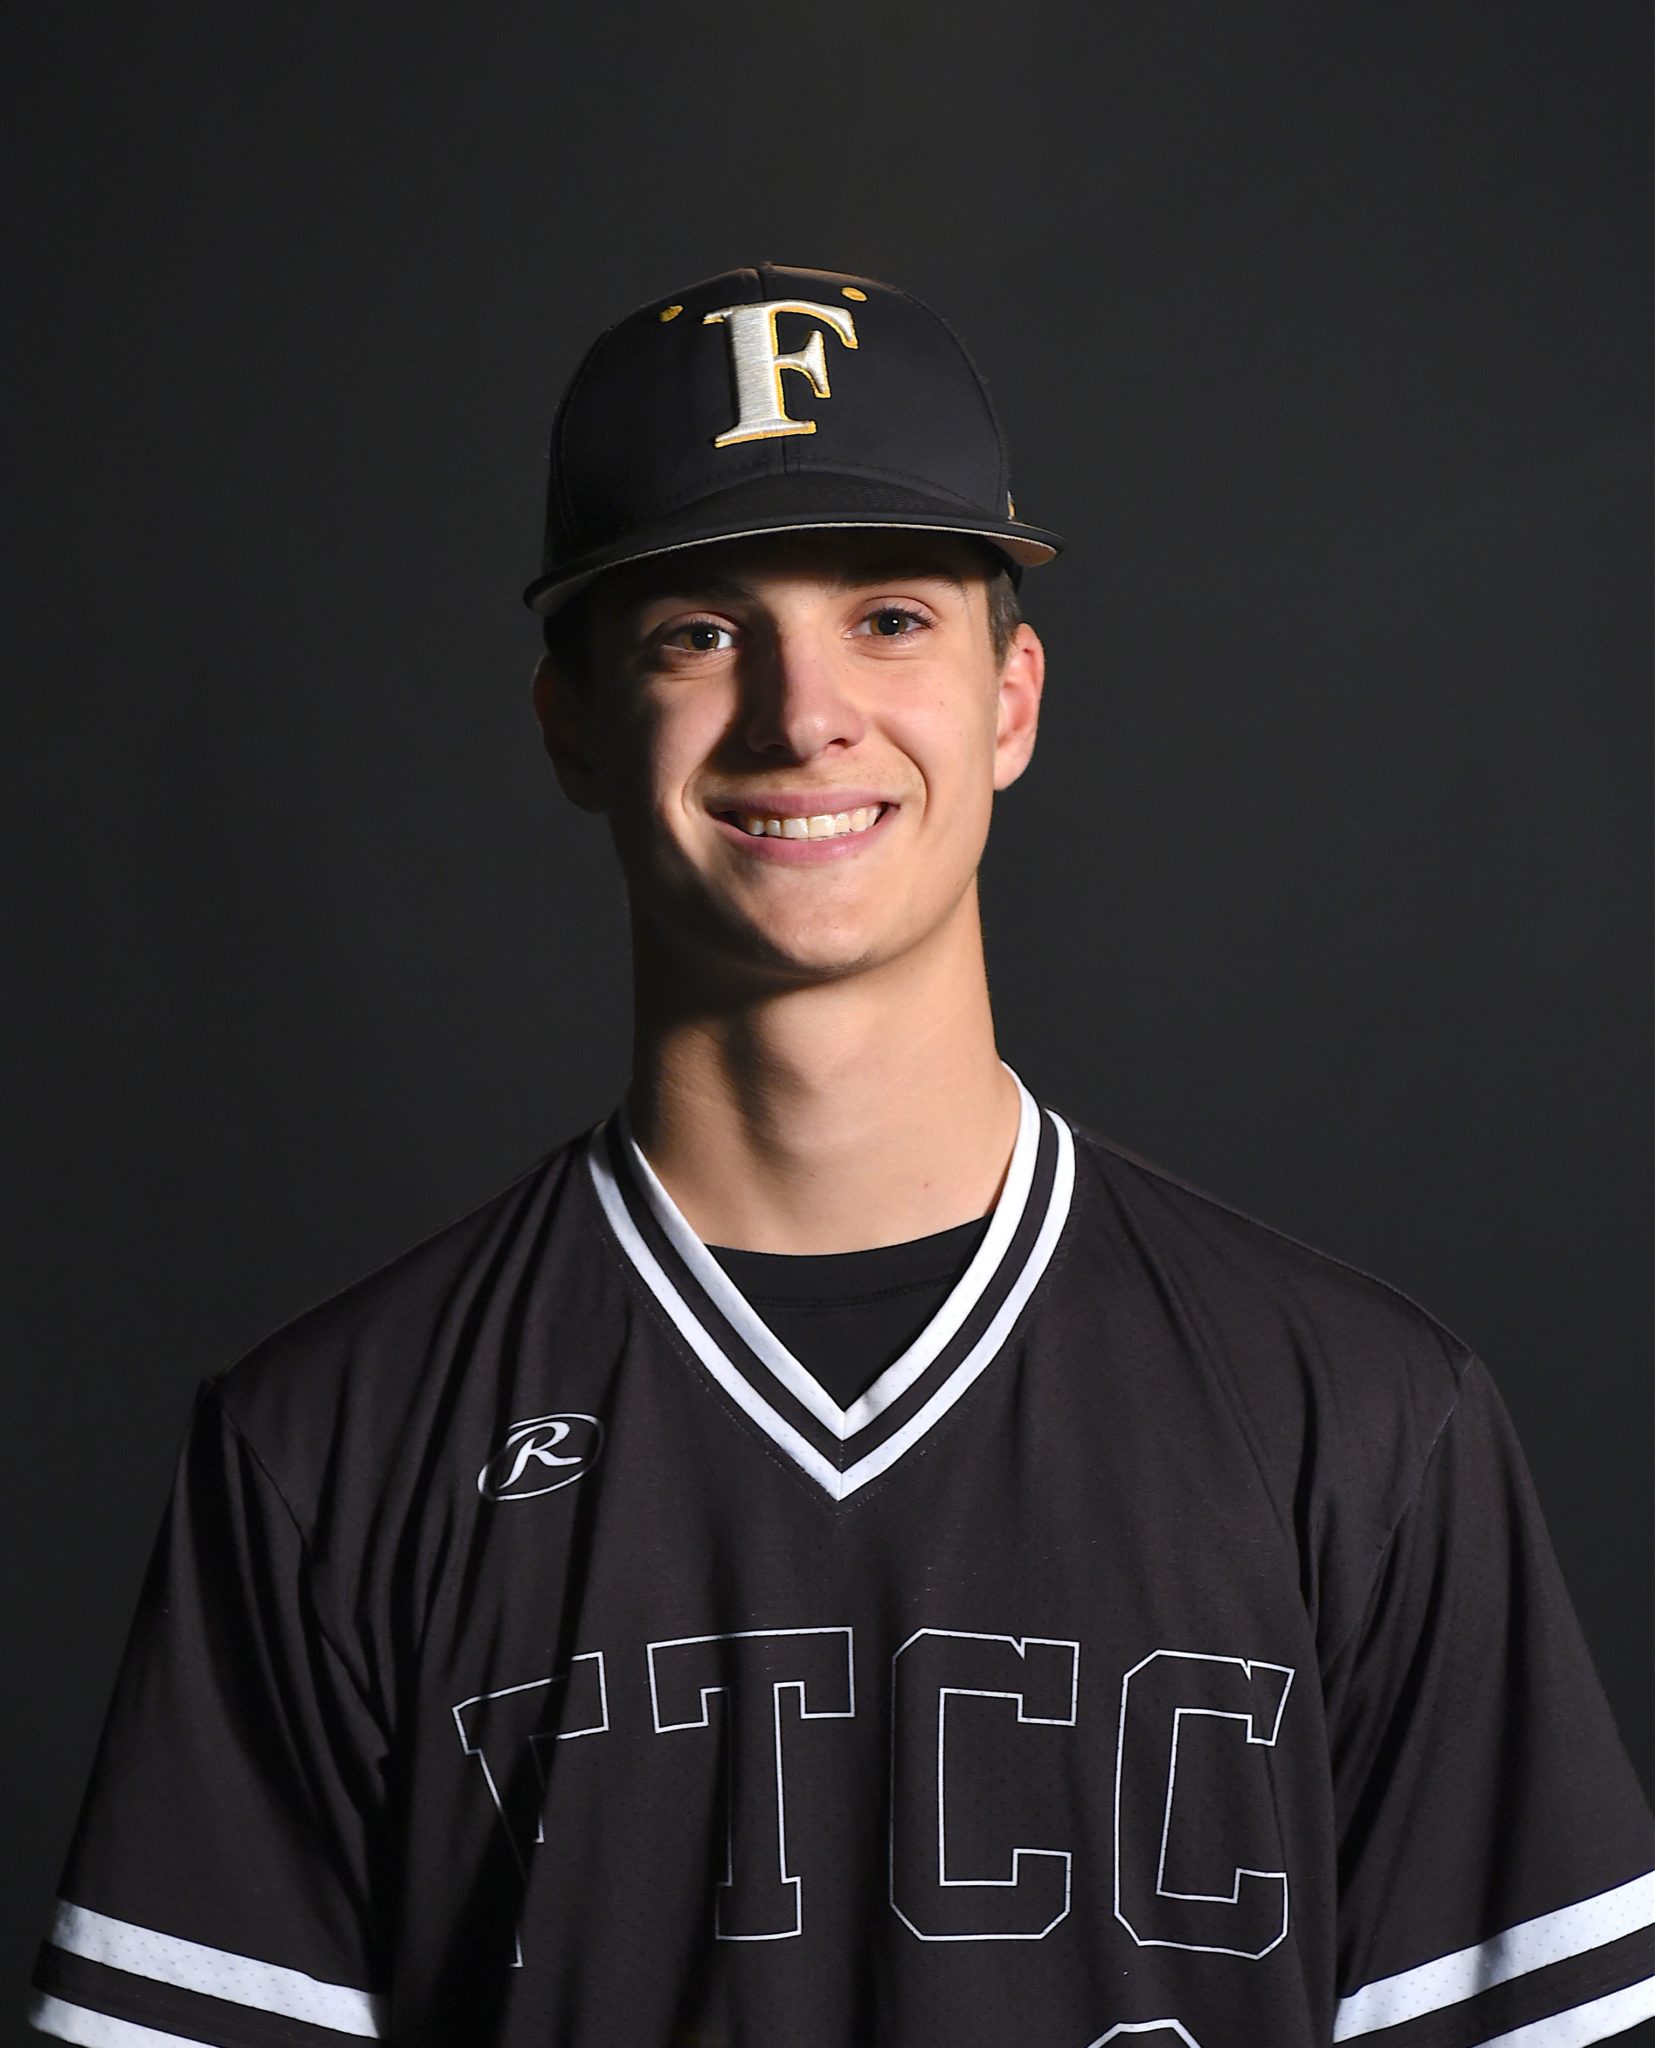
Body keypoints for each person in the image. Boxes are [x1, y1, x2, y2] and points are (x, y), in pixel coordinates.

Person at [28, 262, 1653, 2048]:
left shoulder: (1358, 1419)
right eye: (697, 631)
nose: (803, 714)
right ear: (571, 719)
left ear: (1011, 698)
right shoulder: (324, 1452)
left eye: (888, 618)